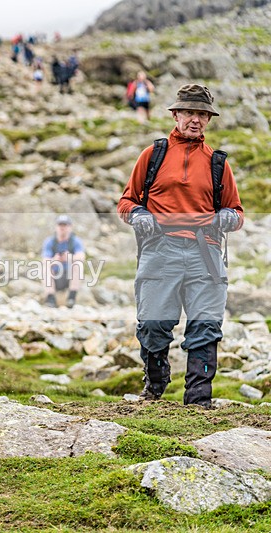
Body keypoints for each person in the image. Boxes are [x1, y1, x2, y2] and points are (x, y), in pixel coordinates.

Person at [117, 84, 243, 408]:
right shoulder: (153, 154)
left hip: (206, 253)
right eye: (189, 112)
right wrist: (139, 214)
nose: (195, 120)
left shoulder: (218, 163)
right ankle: (155, 388)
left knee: (206, 326)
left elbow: (237, 210)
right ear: (175, 115)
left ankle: (199, 402)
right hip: (160, 249)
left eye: (202, 114)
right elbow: (126, 202)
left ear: (209, 120)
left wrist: (229, 216)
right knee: (153, 326)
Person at [42, 215, 85, 308]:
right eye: (60, 225)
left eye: (65, 225)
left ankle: (71, 297)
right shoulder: (50, 242)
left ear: (70, 227)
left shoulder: (75, 241)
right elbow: (45, 260)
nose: (62, 227)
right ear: (56, 227)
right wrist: (55, 260)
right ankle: (51, 298)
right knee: (45, 268)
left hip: (69, 276)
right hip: (56, 276)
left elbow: (81, 257)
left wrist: (69, 258)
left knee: (78, 265)